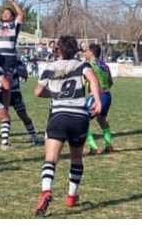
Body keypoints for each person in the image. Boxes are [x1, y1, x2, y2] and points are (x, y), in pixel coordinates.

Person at [33, 36, 103, 217]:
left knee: (50, 159)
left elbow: (38, 92)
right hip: (80, 117)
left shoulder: (50, 67)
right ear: (75, 50)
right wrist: (97, 101)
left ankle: (46, 191)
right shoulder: (82, 65)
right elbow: (94, 81)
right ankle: (71, 196)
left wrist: (54, 94)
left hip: (59, 116)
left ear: (58, 50)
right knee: (76, 158)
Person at [0, 60, 43, 145]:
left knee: (23, 115)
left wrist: (19, 70)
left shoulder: (17, 62)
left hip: (15, 93)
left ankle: (34, 136)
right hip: (0, 92)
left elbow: (25, 76)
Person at [83, 44, 114, 155]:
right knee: (101, 120)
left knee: (82, 120)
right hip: (107, 95)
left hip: (97, 97)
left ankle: (93, 147)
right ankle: (108, 145)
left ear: (91, 52)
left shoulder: (89, 65)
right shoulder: (105, 65)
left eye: (85, 51)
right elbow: (110, 82)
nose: (84, 53)